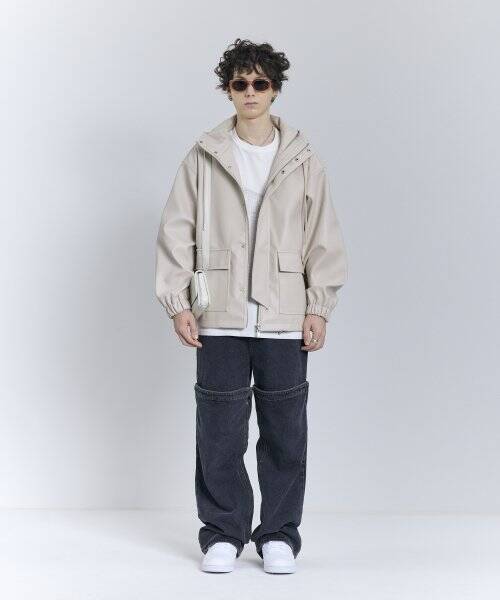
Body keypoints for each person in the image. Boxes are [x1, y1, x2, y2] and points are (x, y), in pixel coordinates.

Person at [155, 38, 348, 574]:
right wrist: (177, 301)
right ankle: (223, 531)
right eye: (240, 83)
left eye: (260, 83)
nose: (250, 92)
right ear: (227, 90)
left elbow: (322, 236)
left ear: (275, 89)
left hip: (284, 314)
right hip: (218, 313)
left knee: (285, 430)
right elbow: (177, 230)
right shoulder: (204, 155)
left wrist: (319, 305)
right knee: (219, 429)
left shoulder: (303, 159)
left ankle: (279, 534)